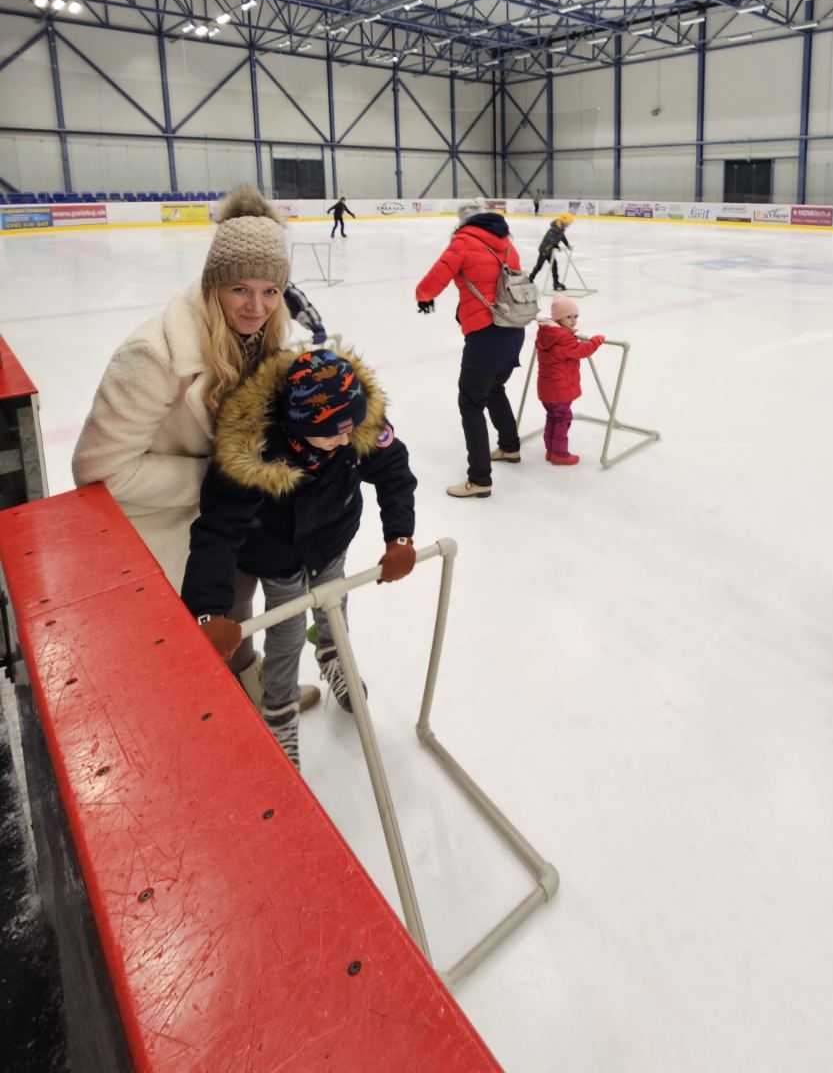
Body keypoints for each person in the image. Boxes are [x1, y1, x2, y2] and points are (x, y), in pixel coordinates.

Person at [72, 187, 326, 709]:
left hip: (236, 522)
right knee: (200, 633)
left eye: (271, 290)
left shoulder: (268, 336)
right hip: (173, 526)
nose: (256, 306)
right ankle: (217, 710)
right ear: (214, 286)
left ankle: (250, 690)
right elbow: (98, 470)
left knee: (240, 609)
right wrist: (222, 480)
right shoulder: (153, 355)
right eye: (240, 289)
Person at [181, 346, 417, 768]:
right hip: (278, 554)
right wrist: (207, 612)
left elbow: (393, 471)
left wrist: (399, 536)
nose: (345, 441)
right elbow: (216, 531)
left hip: (331, 538)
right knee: (286, 636)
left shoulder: (353, 422)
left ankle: (332, 656)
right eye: (332, 434)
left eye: (351, 430)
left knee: (334, 606)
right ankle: (280, 715)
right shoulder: (251, 456)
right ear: (297, 424)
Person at [415, 198, 526, 498]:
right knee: (493, 389)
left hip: (486, 334)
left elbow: (432, 281)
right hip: (514, 329)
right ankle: (510, 446)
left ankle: (479, 479)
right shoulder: (506, 243)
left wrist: (423, 297)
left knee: (471, 403)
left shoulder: (462, 242)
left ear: (463, 221)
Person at [535, 296, 605, 466]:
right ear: (558, 318)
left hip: (547, 390)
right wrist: (596, 340)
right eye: (569, 317)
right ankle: (559, 453)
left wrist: (570, 333)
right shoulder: (563, 339)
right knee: (563, 419)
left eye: (576, 316)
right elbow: (582, 350)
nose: (573, 321)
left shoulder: (547, 333)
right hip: (559, 390)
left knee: (553, 417)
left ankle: (551, 450)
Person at [530, 214, 574, 291]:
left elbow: (562, 237)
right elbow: (551, 241)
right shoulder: (554, 229)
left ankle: (556, 283)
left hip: (550, 251)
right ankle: (530, 279)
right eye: (568, 223)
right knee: (539, 266)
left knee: (554, 265)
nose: (568, 225)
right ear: (563, 221)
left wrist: (567, 245)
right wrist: (557, 246)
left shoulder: (560, 228)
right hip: (545, 250)